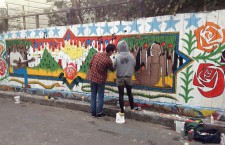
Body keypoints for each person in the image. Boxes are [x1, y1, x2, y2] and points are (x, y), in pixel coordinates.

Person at [89, 44, 116, 117]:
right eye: (113, 52)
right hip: (100, 80)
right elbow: (112, 69)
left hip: (92, 78)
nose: (113, 53)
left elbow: (90, 63)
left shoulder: (97, 54)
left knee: (93, 95)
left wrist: (93, 72)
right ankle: (99, 112)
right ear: (110, 51)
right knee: (100, 96)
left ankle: (93, 112)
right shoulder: (108, 60)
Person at [113, 40, 136, 116]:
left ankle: (122, 111)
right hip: (129, 77)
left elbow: (114, 66)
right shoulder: (131, 56)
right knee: (130, 93)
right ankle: (132, 108)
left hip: (120, 77)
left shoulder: (117, 56)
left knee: (121, 94)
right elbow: (134, 64)